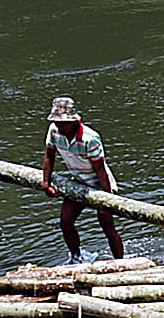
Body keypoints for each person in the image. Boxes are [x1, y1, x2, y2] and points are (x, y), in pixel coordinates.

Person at [41, 96, 125, 262]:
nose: (59, 125)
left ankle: (121, 262)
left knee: (107, 226)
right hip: (79, 182)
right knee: (66, 223)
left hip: (101, 184)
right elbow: (49, 156)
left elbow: (100, 170)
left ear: (73, 120)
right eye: (57, 121)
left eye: (63, 122)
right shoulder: (54, 131)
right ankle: (76, 258)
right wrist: (46, 183)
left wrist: (106, 199)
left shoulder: (90, 138)